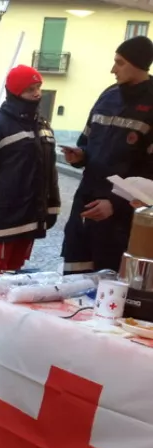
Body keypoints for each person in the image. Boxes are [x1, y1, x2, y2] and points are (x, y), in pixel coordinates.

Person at [62, 36, 153, 274]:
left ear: (139, 64)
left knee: (107, 292)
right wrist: (80, 155)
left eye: (120, 62)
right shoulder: (108, 95)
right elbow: (87, 142)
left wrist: (116, 204)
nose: (113, 69)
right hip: (85, 206)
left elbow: (150, 175)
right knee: (73, 282)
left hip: (122, 222)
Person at [0, 66, 60, 275]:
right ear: (15, 92)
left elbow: (50, 174)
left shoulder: (43, 126)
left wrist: (52, 207)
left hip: (29, 220)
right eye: (29, 89)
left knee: (13, 277)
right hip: (0, 222)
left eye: (38, 87)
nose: (36, 93)